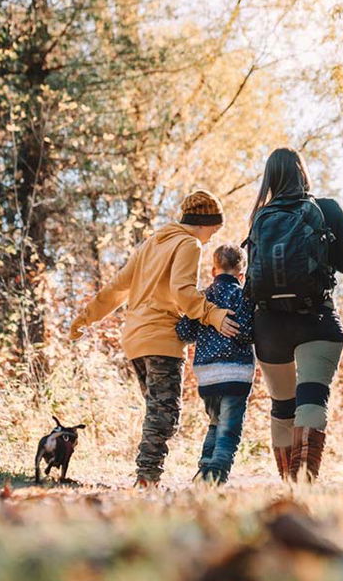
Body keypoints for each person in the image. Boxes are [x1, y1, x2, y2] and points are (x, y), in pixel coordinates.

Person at [68, 190, 239, 487]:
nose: (213, 237)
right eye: (215, 228)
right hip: (160, 337)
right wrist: (214, 314)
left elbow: (117, 288)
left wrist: (86, 317)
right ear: (204, 222)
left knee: (156, 410)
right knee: (164, 413)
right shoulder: (189, 244)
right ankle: (146, 479)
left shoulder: (151, 244)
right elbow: (182, 292)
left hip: (134, 339)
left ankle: (147, 476)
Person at [245, 148, 343, 482]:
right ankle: (305, 483)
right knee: (312, 397)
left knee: (282, 407)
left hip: (269, 327)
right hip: (316, 321)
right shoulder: (325, 209)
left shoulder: (259, 217)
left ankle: (289, 486)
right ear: (302, 172)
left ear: (270, 178)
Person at [176, 244, 255, 484]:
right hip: (236, 372)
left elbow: (184, 332)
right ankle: (216, 473)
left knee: (215, 422)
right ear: (241, 275)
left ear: (213, 270)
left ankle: (205, 470)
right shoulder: (243, 296)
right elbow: (249, 332)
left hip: (207, 374)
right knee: (229, 427)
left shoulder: (201, 297)